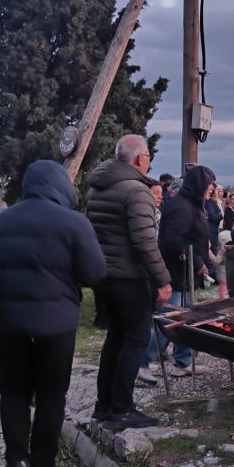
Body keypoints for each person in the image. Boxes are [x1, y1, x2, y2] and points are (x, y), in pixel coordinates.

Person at [0, 161, 106, 467]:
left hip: (8, 323)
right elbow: (96, 272)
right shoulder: (73, 222)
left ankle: (17, 464)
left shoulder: (3, 220)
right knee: (51, 396)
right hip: (55, 324)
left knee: (13, 394)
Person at [86, 135, 171, 430]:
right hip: (129, 276)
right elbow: (144, 241)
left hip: (104, 275)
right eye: (147, 155)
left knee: (115, 339)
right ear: (139, 159)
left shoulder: (98, 188)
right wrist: (162, 280)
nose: (148, 161)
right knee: (135, 339)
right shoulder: (137, 191)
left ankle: (103, 405)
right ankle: (121, 409)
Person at [156, 165, 216, 374]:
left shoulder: (194, 205)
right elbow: (172, 241)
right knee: (168, 321)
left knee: (185, 320)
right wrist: (196, 261)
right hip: (176, 274)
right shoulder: (181, 208)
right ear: (200, 185)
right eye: (210, 184)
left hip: (186, 275)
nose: (212, 188)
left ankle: (182, 361)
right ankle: (142, 362)